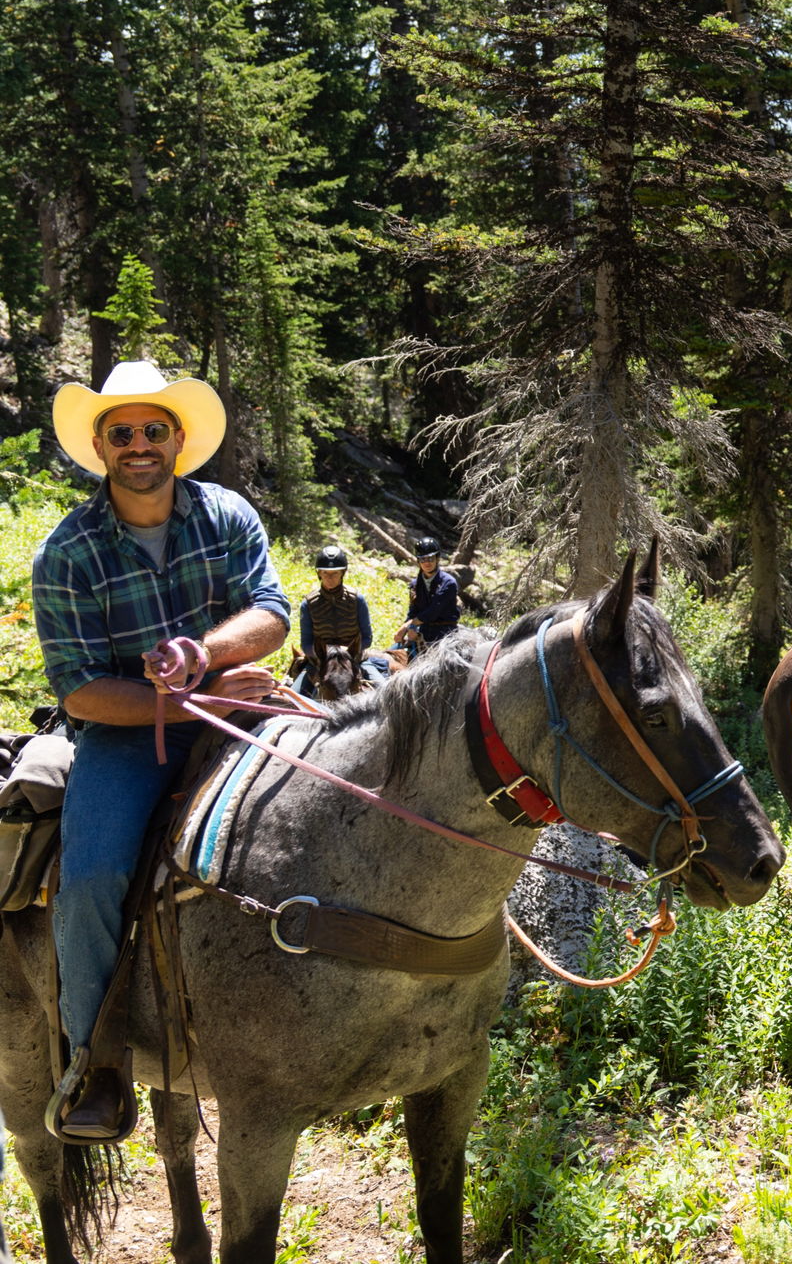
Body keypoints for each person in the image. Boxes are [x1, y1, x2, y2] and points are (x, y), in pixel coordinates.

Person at [32, 359, 288, 1140]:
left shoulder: (226, 514)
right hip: (125, 733)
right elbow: (79, 689)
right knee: (92, 877)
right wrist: (182, 699)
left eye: (152, 429)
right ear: (101, 447)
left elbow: (272, 611)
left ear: (178, 439)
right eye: (122, 433)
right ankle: (96, 1061)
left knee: (330, 805)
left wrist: (204, 656)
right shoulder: (68, 552)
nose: (138, 443)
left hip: (237, 700)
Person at [292, 544, 387, 692]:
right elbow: (306, 644)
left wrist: (348, 652)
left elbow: (367, 638)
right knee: (293, 695)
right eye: (325, 573)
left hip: (354, 659)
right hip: (319, 662)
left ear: (342, 573)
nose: (330, 578)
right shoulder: (308, 604)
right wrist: (326, 654)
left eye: (335, 573)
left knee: (384, 689)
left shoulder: (357, 599)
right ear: (319, 573)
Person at [393, 536, 459, 657]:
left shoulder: (448, 583)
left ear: (437, 558)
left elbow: (433, 611)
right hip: (423, 632)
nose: (427, 562)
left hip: (445, 634)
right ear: (418, 561)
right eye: (423, 559)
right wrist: (406, 629)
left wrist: (409, 625)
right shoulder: (415, 585)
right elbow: (413, 612)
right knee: (391, 655)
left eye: (430, 558)